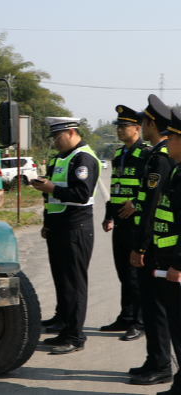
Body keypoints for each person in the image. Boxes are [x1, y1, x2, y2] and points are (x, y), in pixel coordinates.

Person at [31, 116, 101, 354]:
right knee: (62, 281)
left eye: (58, 137)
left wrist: (52, 188)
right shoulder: (62, 157)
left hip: (75, 229)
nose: (55, 142)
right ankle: (64, 325)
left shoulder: (83, 158)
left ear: (71, 132)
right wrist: (47, 221)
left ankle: (75, 337)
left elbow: (81, 193)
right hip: (58, 227)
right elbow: (53, 193)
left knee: (74, 284)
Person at [129, 94, 176, 386]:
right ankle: (153, 358)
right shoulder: (158, 154)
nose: (141, 126)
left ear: (151, 124)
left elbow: (152, 207)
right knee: (150, 304)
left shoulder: (161, 159)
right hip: (153, 245)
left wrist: (142, 245)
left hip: (156, 247)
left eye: (144, 122)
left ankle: (161, 364)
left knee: (156, 307)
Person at [100, 105, 150, 341]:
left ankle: (139, 322)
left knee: (134, 274)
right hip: (119, 223)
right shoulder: (119, 155)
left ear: (137, 129)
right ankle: (126, 316)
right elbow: (115, 190)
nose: (120, 130)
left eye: (124, 126)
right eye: (118, 126)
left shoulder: (147, 154)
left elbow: (150, 191)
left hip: (136, 223)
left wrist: (136, 204)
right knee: (122, 272)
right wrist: (108, 215)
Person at [148, 108, 181, 395]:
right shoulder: (178, 169)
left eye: (171, 136)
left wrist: (178, 264)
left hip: (176, 265)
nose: (166, 140)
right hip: (167, 259)